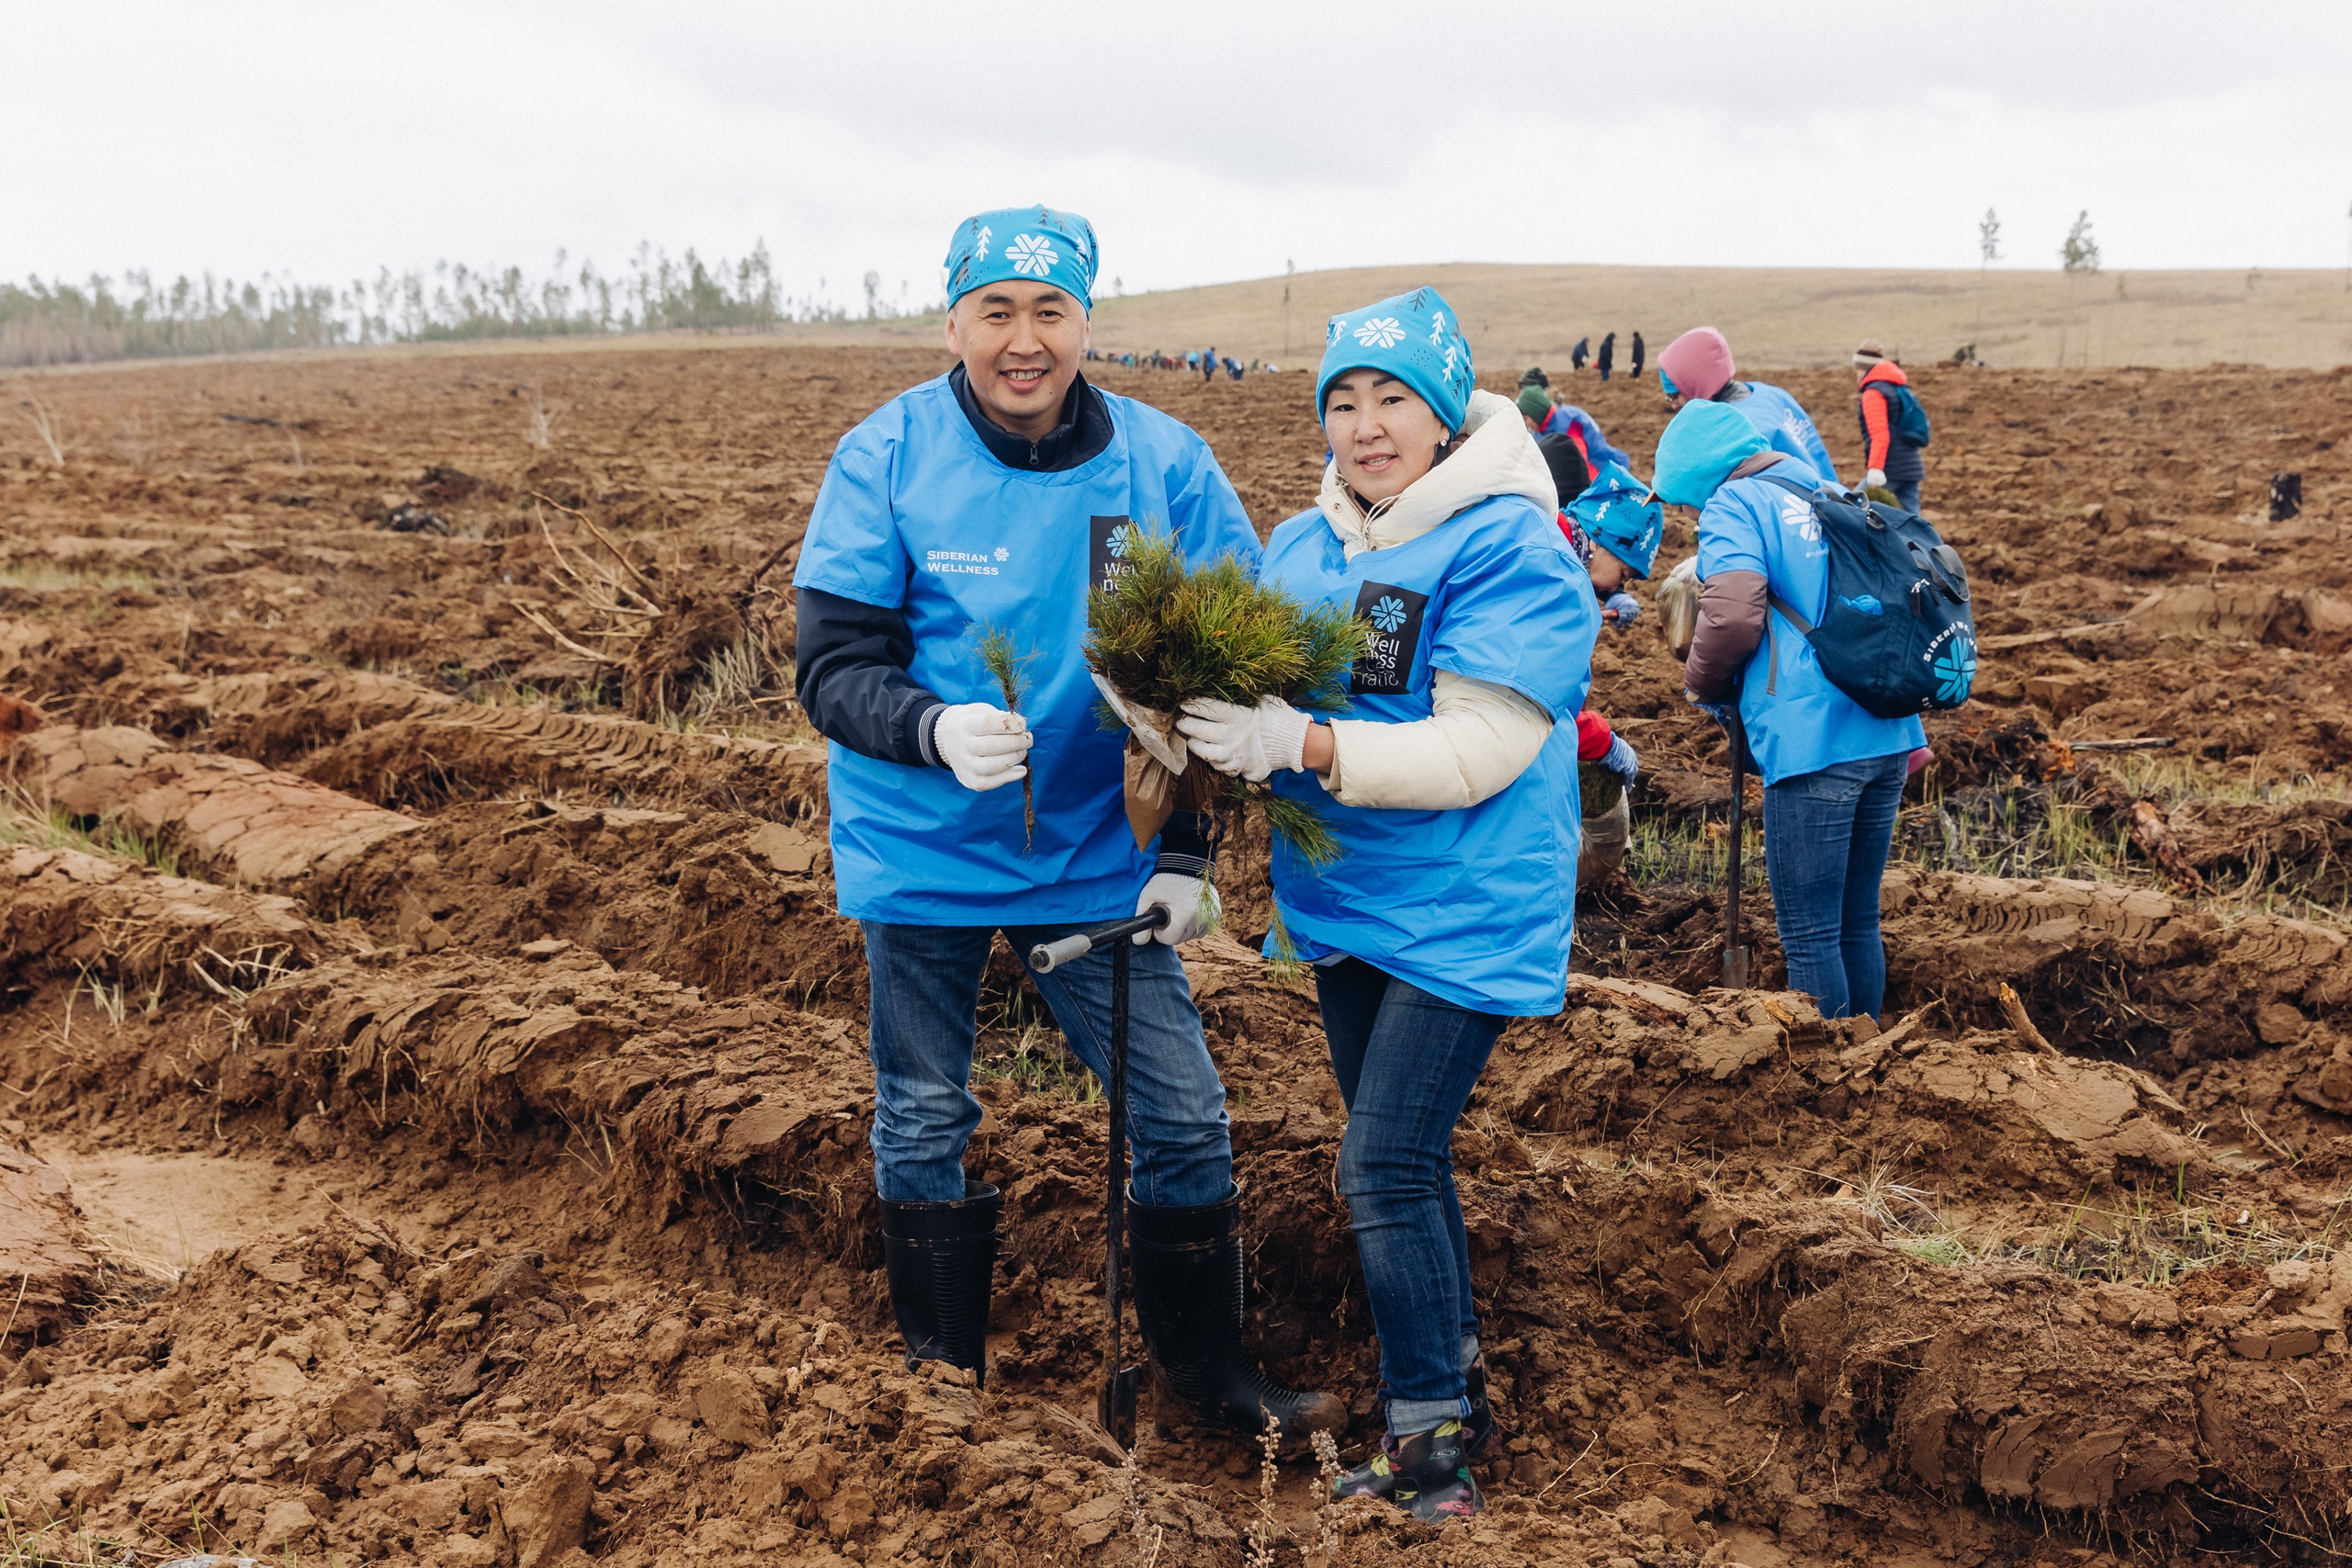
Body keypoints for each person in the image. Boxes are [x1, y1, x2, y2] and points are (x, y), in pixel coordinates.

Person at [792, 204, 1342, 1439]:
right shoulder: (886, 456)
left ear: (1086, 322)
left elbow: (1234, 663)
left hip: (1098, 854)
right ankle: (943, 1377)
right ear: (955, 321)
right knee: (927, 1108)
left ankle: (1206, 1376)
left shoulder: (1163, 465)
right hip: (921, 848)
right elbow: (831, 662)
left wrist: (1191, 850)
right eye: (997, 312)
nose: (1023, 341)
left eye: (1050, 312)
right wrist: (928, 727)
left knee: (1185, 1113)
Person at [1170, 288, 1599, 1520]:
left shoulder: (1511, 545)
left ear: (1445, 411)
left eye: (1393, 399)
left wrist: (1296, 740)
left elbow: (1478, 750)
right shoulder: (1303, 546)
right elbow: (1234, 676)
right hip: (1347, 902)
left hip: (1465, 904)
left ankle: (1430, 1447)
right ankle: (1454, 1381)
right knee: (1400, 1160)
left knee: (1382, 1162)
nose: (1365, 427)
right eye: (1343, 402)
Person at [1654, 400, 1925, 1020]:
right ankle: (1871, 1061)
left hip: (1812, 741)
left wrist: (1700, 682)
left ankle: (1828, 1082)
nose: (1693, 513)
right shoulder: (1827, 487)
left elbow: (1732, 610)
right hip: (1885, 729)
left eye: (1686, 500)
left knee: (1809, 935)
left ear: (1699, 475)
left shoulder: (1734, 503)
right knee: (1857, 921)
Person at [1657, 326, 1840, 485]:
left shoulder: (1732, 429)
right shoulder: (1769, 393)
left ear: (1695, 383)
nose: (1673, 406)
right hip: (1830, 501)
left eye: (1674, 396)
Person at [1853, 340, 1928, 513]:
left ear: (1864, 369)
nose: (1856, 374)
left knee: (1851, 508)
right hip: (1910, 465)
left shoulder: (1873, 393)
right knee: (1913, 521)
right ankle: (1932, 541)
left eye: (1857, 369)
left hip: (1890, 467)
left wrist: (1875, 469)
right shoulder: (1895, 387)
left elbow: (1880, 434)